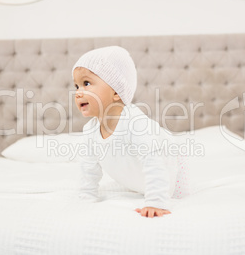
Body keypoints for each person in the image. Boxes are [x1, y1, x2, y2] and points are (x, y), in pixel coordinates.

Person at [72, 46, 187, 218]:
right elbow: (88, 169)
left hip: (173, 175)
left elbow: (154, 163)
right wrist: (86, 200)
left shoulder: (136, 124)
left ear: (116, 92)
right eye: (76, 86)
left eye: (86, 84)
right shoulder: (90, 130)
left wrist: (156, 202)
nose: (78, 93)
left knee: (161, 156)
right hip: (137, 182)